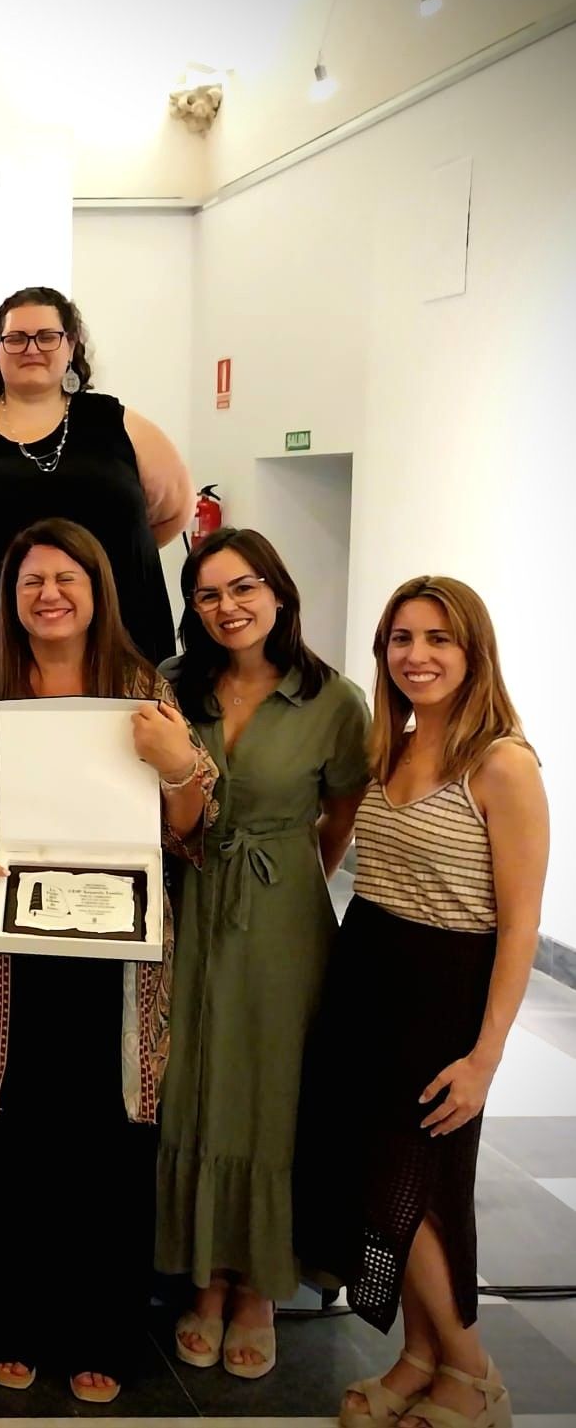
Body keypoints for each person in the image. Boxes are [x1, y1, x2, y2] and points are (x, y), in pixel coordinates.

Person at [0, 518, 215, 1406]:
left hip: (118, 965)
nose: (49, 595)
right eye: (31, 582)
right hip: (3, 961)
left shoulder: (147, 688)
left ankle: (98, 1329)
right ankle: (5, 1321)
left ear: (98, 588)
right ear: (10, 598)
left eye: (66, 578)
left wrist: (179, 770)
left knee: (104, 1148)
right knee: (5, 1145)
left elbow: (196, 829)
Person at [298, 577, 546, 1428]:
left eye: (439, 638)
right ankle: (418, 1357)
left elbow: (520, 927)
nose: (418, 655)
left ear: (472, 650)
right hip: (367, 971)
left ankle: (475, 1375)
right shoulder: (389, 746)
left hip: (446, 988)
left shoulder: (502, 763)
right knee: (372, 1180)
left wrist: (486, 1056)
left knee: (420, 1185)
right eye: (402, 639)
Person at [154, 528, 370, 1381]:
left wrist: (288, 892)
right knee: (190, 1084)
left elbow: (341, 817)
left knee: (272, 1091)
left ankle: (260, 1290)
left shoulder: (334, 699)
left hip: (281, 914)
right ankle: (204, 1278)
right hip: (187, 901)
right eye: (207, 595)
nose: (227, 607)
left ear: (278, 592)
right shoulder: (174, 689)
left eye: (242, 588)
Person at [0, 285, 191, 684]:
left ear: (71, 345)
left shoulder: (119, 424)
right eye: (16, 338)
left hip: (109, 647)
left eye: (47, 337)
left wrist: (98, 559)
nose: (31, 348)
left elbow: (171, 513)